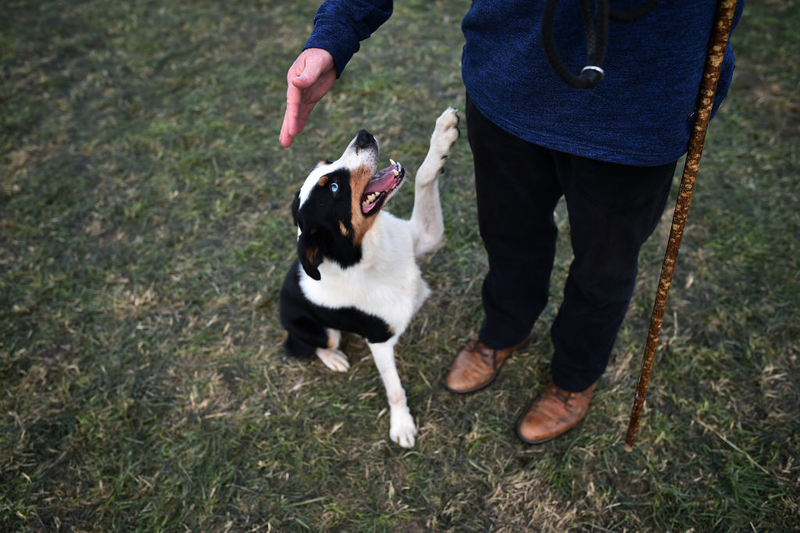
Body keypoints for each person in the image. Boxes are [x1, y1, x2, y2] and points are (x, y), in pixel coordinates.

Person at [280, 0, 742, 444]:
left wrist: (704, 79)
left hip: (638, 107)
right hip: (509, 82)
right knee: (508, 235)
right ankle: (505, 329)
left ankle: (575, 376)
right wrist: (336, 31)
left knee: (605, 265)